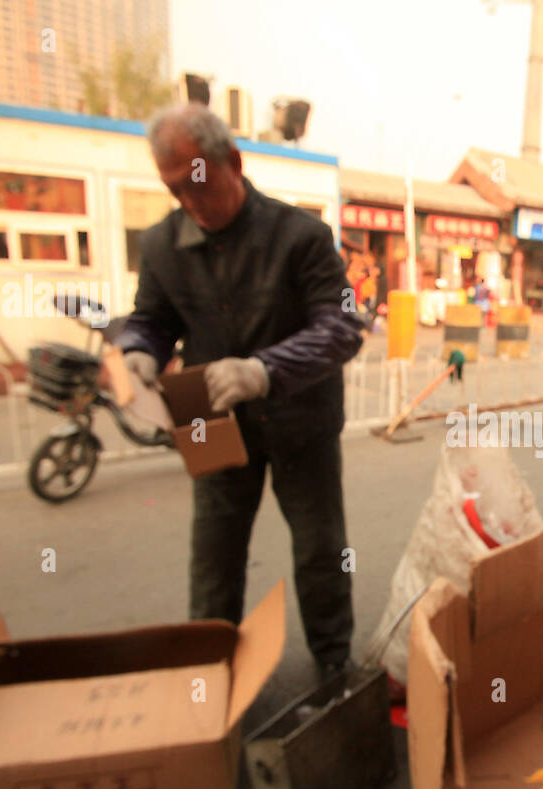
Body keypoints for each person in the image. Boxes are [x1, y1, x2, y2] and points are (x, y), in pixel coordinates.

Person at [114, 104, 364, 681]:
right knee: (214, 552)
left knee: (320, 549)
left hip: (301, 414)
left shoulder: (300, 236)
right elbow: (151, 317)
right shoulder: (160, 246)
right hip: (206, 411)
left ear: (232, 161)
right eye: (174, 189)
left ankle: (333, 664)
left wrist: (264, 370)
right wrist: (140, 349)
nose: (190, 201)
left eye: (197, 181)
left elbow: (342, 326)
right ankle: (210, 664)